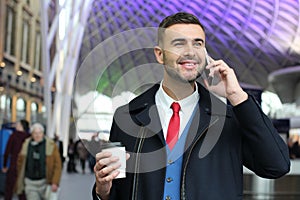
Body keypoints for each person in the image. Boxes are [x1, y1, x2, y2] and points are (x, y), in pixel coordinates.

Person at [92, 12, 290, 200]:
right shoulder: (127, 116)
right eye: (179, 43)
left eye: (198, 43)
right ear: (160, 55)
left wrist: (237, 97)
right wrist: (104, 190)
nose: (190, 52)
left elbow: (277, 166)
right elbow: (116, 190)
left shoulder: (228, 119)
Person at [16, 123, 62, 200]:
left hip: (46, 183)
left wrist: (55, 182)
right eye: (35, 133)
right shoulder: (26, 144)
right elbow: (20, 162)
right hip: (30, 183)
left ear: (43, 133)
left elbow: (57, 165)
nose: (37, 135)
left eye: (40, 133)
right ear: (32, 134)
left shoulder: (51, 145)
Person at [2, 119, 30, 200]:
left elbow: (7, 151)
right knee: (22, 190)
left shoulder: (13, 136)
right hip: (25, 166)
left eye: (18, 124)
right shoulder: (29, 137)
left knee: (9, 188)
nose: (16, 125)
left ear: (21, 126)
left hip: (14, 165)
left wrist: (4, 165)